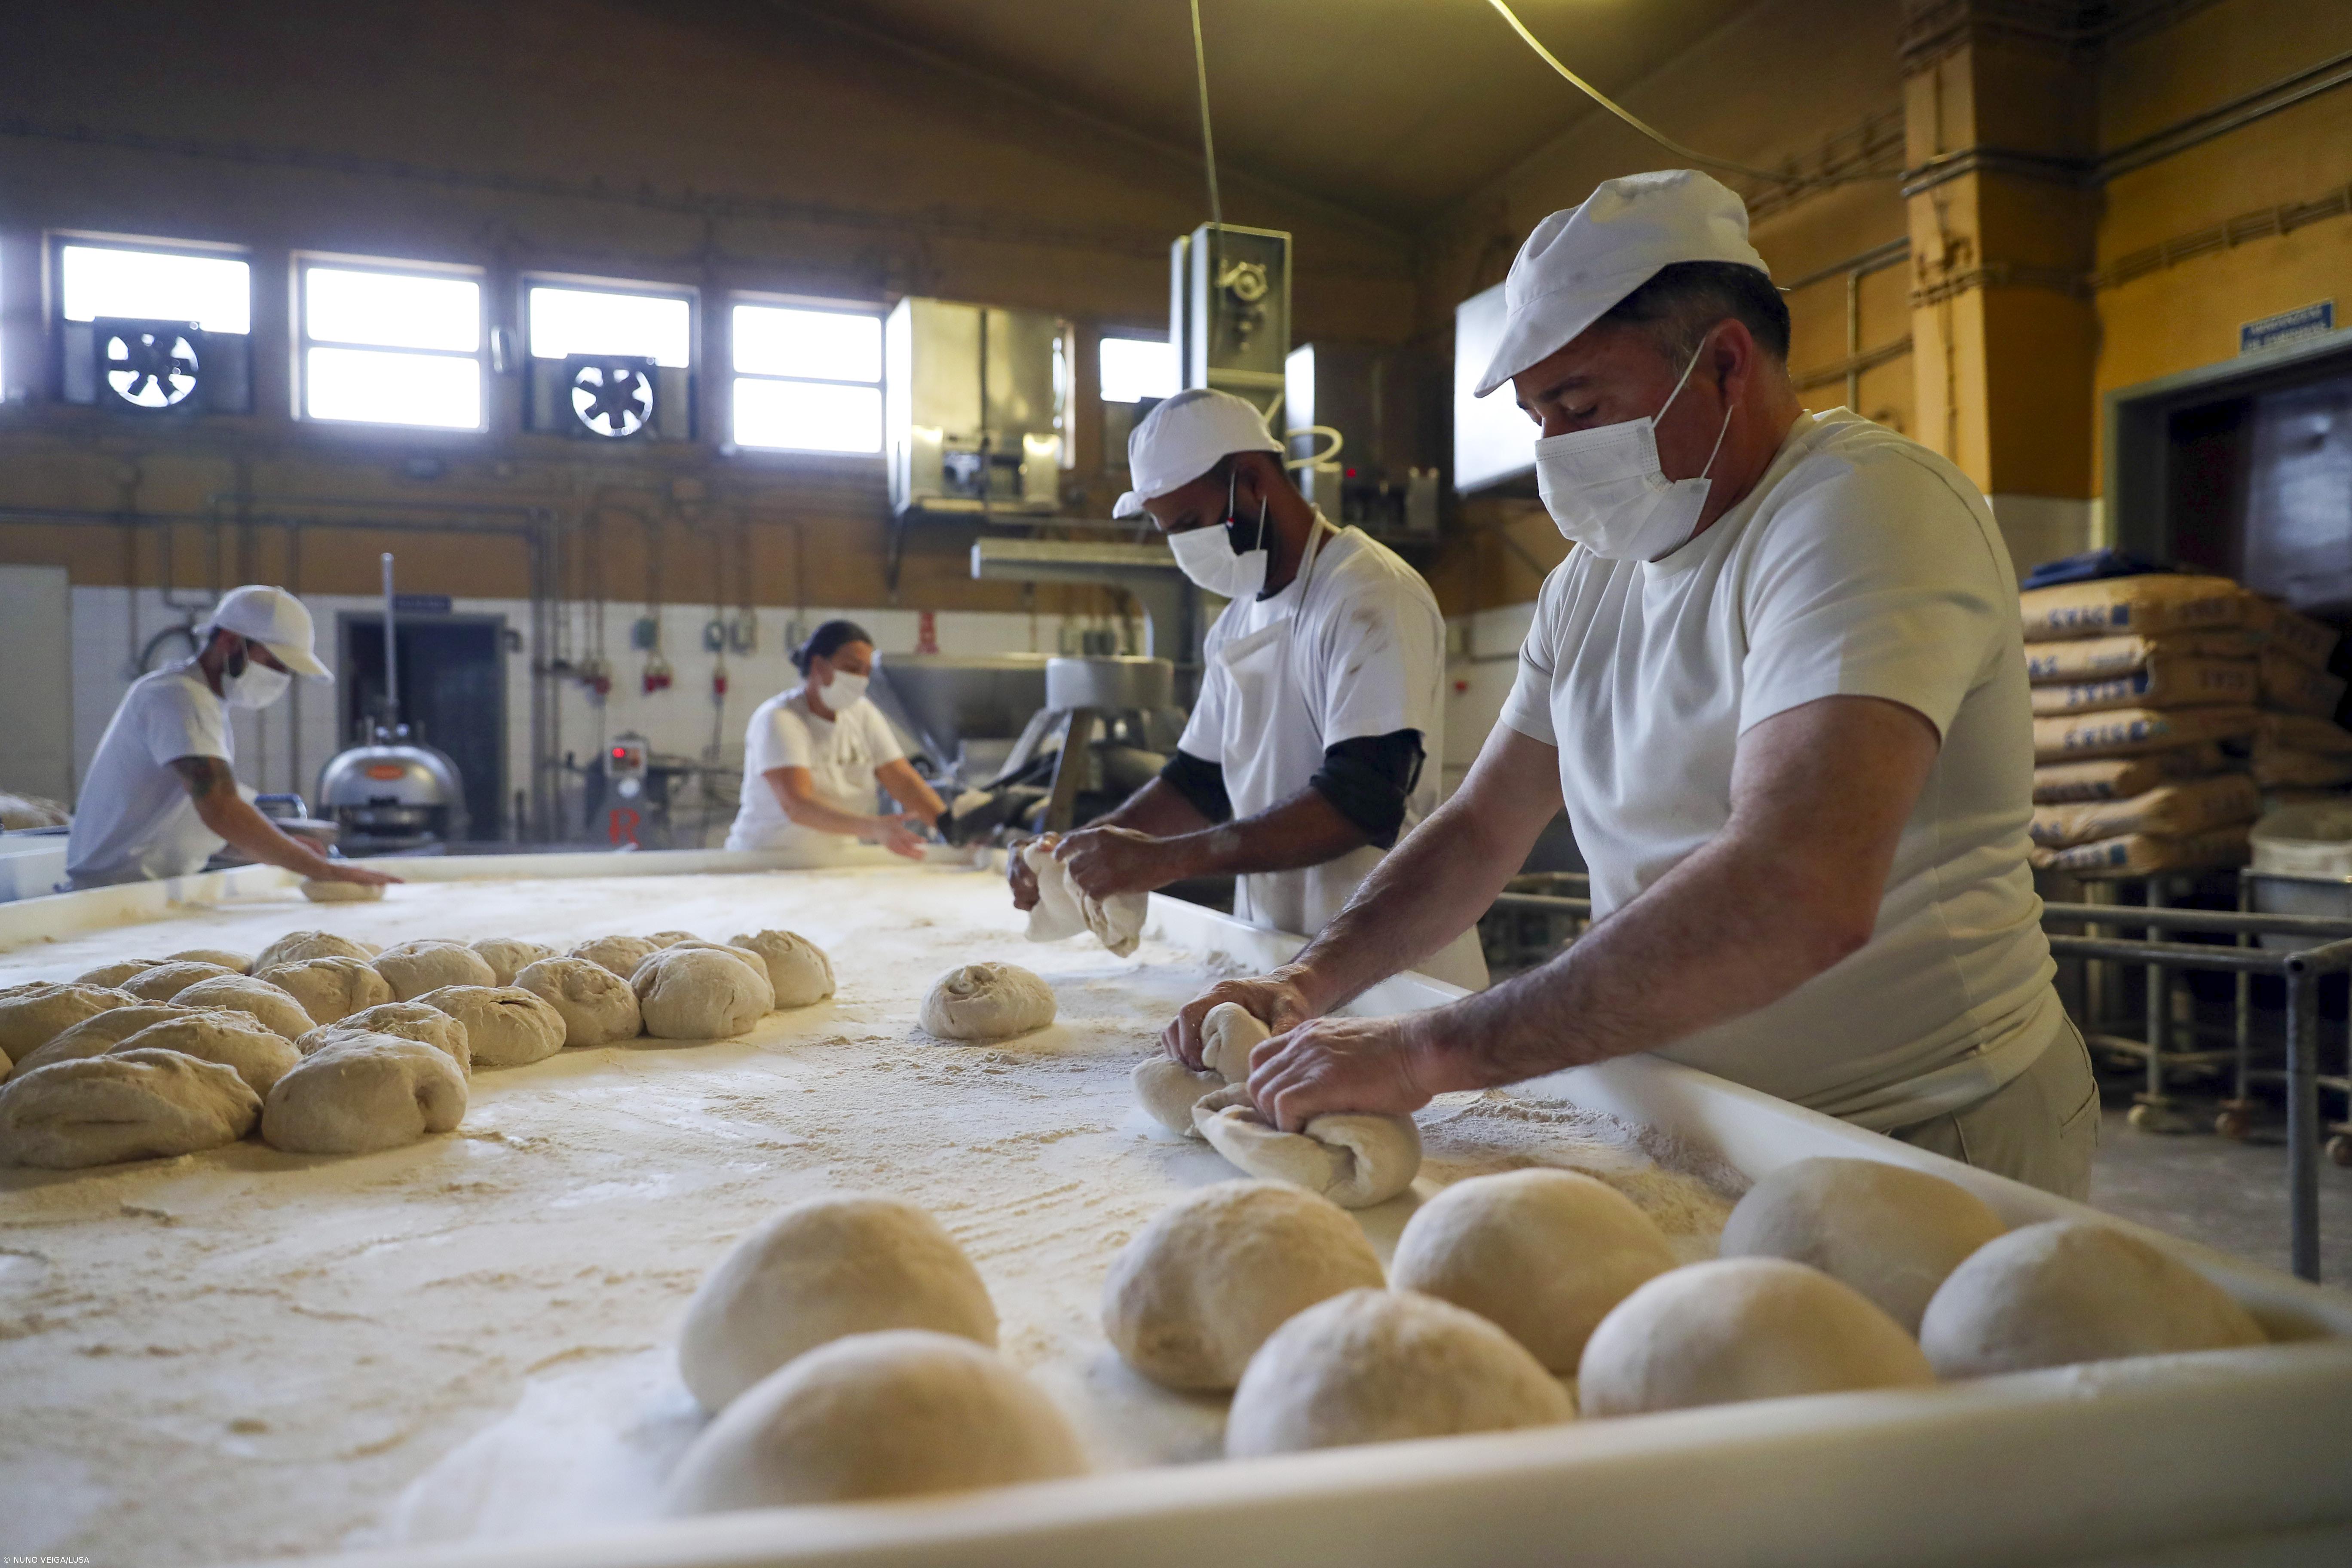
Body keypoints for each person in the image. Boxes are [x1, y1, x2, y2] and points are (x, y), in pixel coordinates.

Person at [1166, 170, 2096, 1198]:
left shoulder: (1860, 511)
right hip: (1687, 1113)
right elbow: (1482, 827)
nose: (1553, 453)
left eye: (1578, 404)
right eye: (1535, 417)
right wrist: (1308, 981)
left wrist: (1419, 1052)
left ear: (1724, 364)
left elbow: (1798, 887)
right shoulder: (1592, 577)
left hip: (1916, 1128)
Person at [1012, 388, 1487, 992]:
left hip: (1394, 966)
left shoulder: (1369, 594)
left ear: (1253, 481)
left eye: (1187, 524)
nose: (1183, 548)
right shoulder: (1237, 620)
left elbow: (1362, 801)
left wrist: (1163, 861)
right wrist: (1080, 853)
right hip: (1278, 951)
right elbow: (1198, 782)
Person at [67, 585, 398, 892]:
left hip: (145, 889)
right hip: (113, 893)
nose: (281, 679)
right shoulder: (178, 698)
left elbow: (192, 820)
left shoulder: (204, 702)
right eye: (274, 664)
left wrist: (284, 845)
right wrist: (323, 870)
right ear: (228, 641)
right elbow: (221, 808)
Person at [725, 619, 945, 861]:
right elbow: (798, 804)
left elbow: (904, 782)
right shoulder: (779, 718)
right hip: (766, 861)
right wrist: (874, 828)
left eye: (866, 673)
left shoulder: (863, 714)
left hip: (836, 860)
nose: (860, 680)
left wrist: (950, 825)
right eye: (851, 669)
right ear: (819, 666)